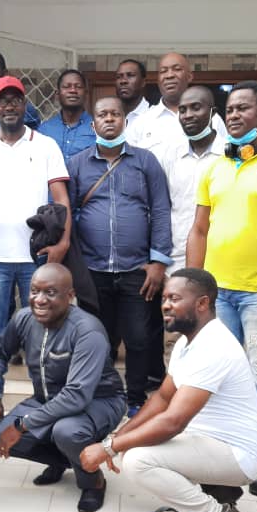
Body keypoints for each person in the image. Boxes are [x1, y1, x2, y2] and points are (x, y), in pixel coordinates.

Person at [79, 269, 257, 512]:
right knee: (135, 445)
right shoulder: (187, 343)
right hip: (212, 442)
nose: (165, 305)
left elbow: (173, 422)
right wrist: (118, 436)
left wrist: (109, 447)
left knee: (138, 461)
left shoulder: (214, 346)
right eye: (164, 298)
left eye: (175, 298)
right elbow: (163, 399)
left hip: (240, 455)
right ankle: (220, 492)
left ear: (202, 303)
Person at [186, 81, 257, 497]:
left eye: (243, 108)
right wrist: (192, 285)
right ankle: (224, 448)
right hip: (217, 294)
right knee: (219, 372)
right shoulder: (215, 166)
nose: (233, 115)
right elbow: (200, 229)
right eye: (230, 109)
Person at [0, 263, 126, 512]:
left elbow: (76, 396)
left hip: (99, 401)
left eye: (50, 293)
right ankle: (70, 460)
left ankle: (93, 480)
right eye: (34, 291)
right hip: (48, 399)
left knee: (66, 431)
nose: (39, 300)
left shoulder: (87, 330)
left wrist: (22, 425)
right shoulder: (24, 318)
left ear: (70, 296)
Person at [67, 96, 171, 416]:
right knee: (99, 338)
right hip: (92, 269)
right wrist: (73, 267)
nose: (109, 119)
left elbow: (161, 209)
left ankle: (135, 397)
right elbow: (65, 214)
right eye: (103, 114)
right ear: (93, 124)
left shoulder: (145, 161)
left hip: (136, 269)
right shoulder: (77, 164)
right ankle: (103, 394)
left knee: (138, 338)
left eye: (115, 114)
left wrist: (158, 262)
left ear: (125, 121)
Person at [0, 75, 70, 367]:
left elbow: (62, 200)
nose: (9, 106)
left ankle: (42, 390)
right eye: (2, 101)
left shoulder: (46, 146)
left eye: (15, 100)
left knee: (42, 328)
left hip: (35, 254)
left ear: (25, 104)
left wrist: (63, 244)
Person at [160, 86, 225, 274]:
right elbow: (160, 206)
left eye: (196, 108)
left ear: (213, 112)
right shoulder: (170, 154)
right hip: (176, 258)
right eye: (182, 110)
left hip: (219, 259)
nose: (188, 115)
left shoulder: (231, 155)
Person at [128, 52, 227, 162]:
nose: (169, 75)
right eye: (163, 71)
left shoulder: (212, 118)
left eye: (177, 69)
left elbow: (225, 158)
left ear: (189, 76)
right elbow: (130, 165)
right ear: (158, 79)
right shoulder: (141, 122)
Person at [39, 69, 96, 161]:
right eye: (66, 86)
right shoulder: (44, 130)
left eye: (78, 86)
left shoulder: (98, 129)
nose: (73, 90)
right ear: (57, 94)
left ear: (86, 94)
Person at [115, 58, 150, 126]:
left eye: (130, 75)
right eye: (119, 77)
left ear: (143, 82)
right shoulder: (109, 117)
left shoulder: (155, 116)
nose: (123, 81)